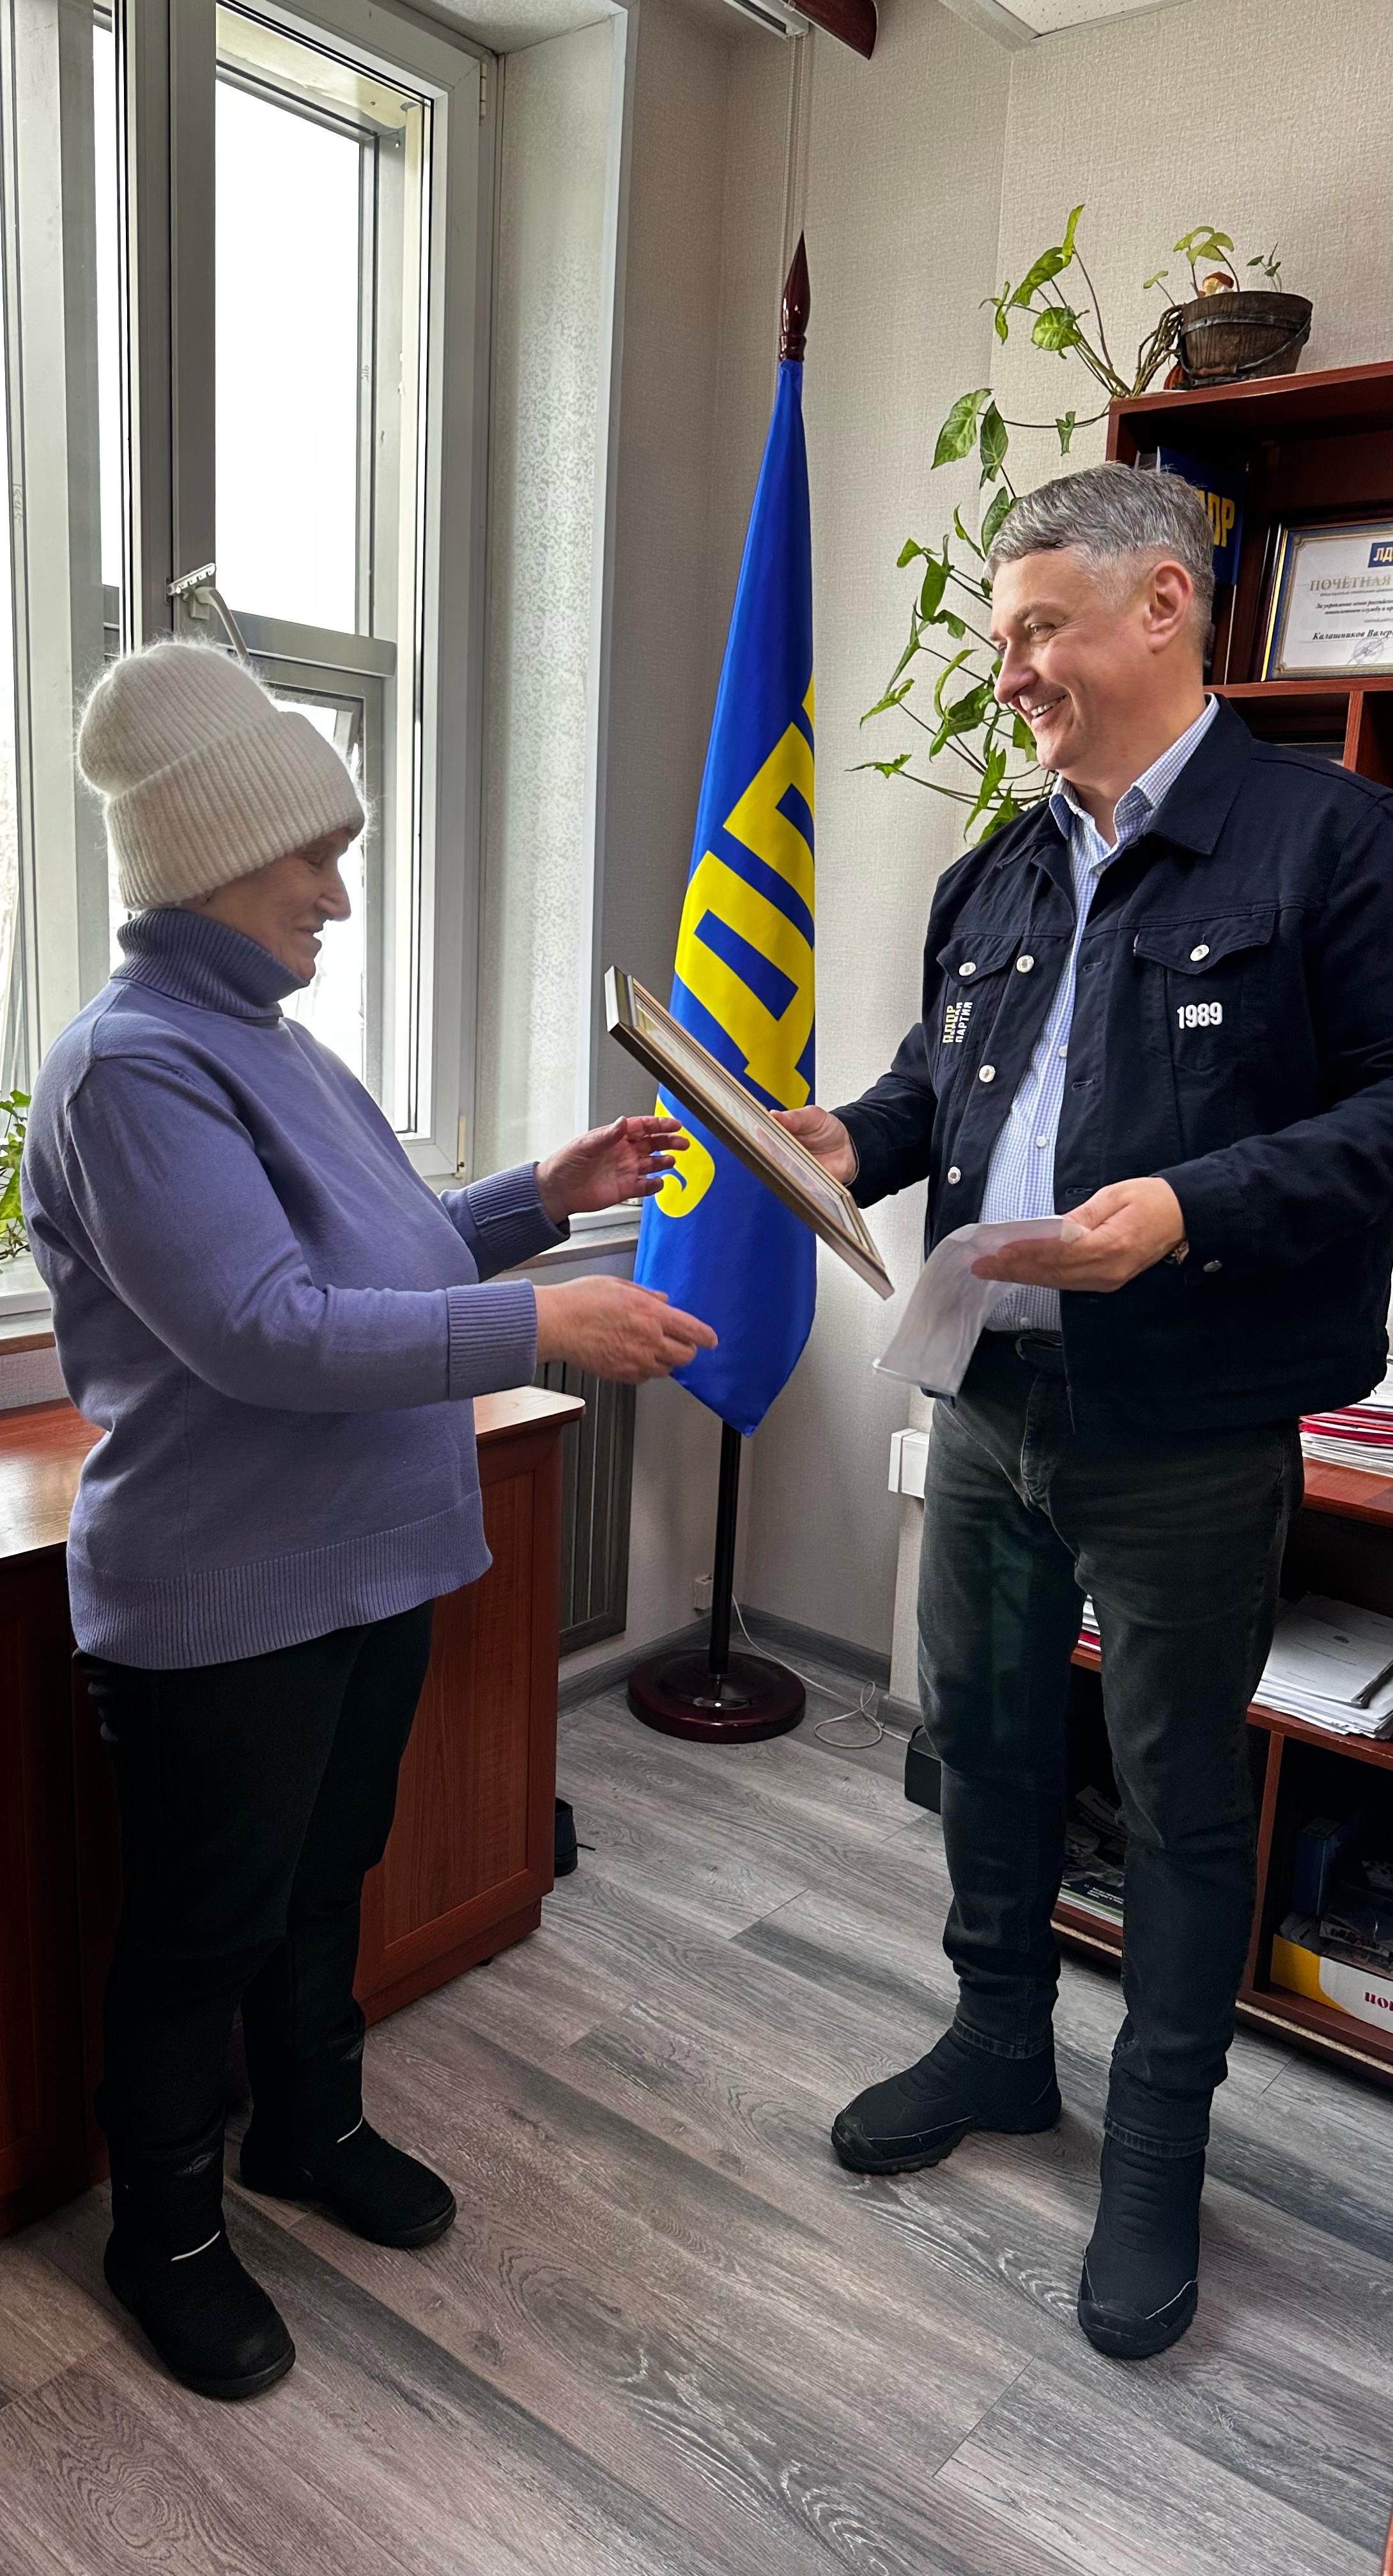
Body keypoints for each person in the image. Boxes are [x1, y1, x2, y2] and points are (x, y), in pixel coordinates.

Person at [23, 639, 712, 2402]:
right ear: (204, 854)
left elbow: (379, 1261)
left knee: (325, 1875)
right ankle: (164, 2235)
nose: (339, 894)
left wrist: (534, 1198)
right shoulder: (128, 1069)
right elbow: (265, 1331)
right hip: (226, 1594)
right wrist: (541, 1321)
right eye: (312, 857)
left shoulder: (275, 1046)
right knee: (202, 1930)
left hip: (364, 1565)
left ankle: (307, 2129)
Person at [777, 462, 1393, 2359]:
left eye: (1038, 628)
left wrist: (1184, 1211)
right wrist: (843, 1140)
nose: (1010, 671)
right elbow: (935, 1089)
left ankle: (1154, 2147)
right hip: (989, 1393)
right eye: (1001, 640)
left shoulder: (1330, 841)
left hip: (1187, 1419)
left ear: (1160, 607)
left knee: (1180, 1795)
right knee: (979, 1736)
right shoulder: (998, 868)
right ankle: (996, 2042)